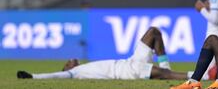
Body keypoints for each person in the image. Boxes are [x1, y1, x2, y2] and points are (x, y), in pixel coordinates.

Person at [17, 27, 193, 80]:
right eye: (68, 62)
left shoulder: (83, 66)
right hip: (125, 72)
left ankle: (167, 69)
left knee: (153, 32)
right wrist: (33, 76)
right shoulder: (75, 73)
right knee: (160, 74)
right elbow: (56, 75)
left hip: (128, 62)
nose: (71, 60)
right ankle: (200, 75)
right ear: (67, 68)